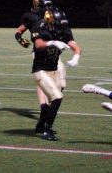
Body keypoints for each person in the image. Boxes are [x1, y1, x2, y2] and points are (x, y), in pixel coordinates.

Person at [31, 8, 82, 141]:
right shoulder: (40, 27)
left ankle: (41, 125)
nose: (60, 28)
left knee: (52, 100)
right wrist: (52, 42)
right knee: (57, 97)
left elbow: (75, 46)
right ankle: (47, 130)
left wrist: (76, 56)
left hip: (53, 69)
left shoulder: (63, 28)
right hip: (40, 70)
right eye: (57, 24)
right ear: (49, 22)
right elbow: (38, 44)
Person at [14, 0, 60, 134]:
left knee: (60, 85)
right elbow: (19, 31)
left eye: (48, 5)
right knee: (43, 81)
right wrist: (20, 40)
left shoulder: (53, 14)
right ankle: (44, 108)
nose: (47, 8)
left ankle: (47, 109)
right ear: (37, 5)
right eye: (44, 5)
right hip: (39, 52)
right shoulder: (31, 16)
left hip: (54, 51)